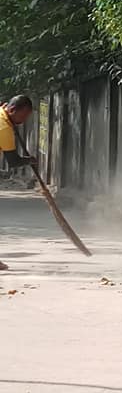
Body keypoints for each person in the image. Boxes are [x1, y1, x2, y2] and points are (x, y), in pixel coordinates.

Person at [0, 95, 36, 271]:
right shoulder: (4, 127)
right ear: (12, 110)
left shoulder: (2, 114)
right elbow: (13, 161)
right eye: (23, 116)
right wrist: (29, 160)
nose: (23, 121)